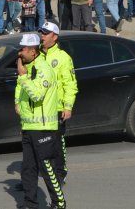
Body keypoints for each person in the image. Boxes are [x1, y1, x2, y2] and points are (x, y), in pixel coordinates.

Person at [15, 32, 66, 209]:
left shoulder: (43, 69)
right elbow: (22, 91)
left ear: (33, 51)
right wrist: (17, 103)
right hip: (29, 126)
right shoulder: (29, 67)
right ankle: (30, 204)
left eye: (23, 49)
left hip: (43, 127)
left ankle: (59, 202)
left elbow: (36, 95)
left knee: (47, 167)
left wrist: (22, 76)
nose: (20, 53)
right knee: (28, 168)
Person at [38, 21, 77, 182]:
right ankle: (38, 173)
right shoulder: (36, 55)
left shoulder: (63, 58)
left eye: (45, 33)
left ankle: (60, 173)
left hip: (56, 108)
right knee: (38, 142)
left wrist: (68, 106)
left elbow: (70, 84)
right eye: (41, 32)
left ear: (54, 37)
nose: (42, 36)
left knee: (56, 143)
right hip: (38, 109)